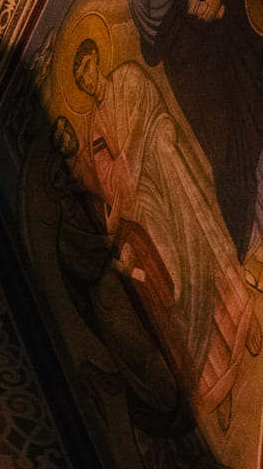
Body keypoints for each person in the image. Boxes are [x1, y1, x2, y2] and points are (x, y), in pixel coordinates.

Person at [72, 38, 259, 431]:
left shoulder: (127, 77)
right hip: (144, 205)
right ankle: (214, 378)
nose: (86, 79)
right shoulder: (94, 130)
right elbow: (110, 182)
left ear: (96, 60)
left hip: (168, 175)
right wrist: (129, 175)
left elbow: (151, 115)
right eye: (79, 78)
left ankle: (245, 320)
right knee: (169, 277)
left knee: (198, 232)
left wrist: (140, 154)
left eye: (86, 69)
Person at [111, 0, 263, 266]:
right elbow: (157, 42)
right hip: (195, 75)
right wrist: (194, 9)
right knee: (226, 138)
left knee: (251, 105)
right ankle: (254, 235)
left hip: (219, 47)